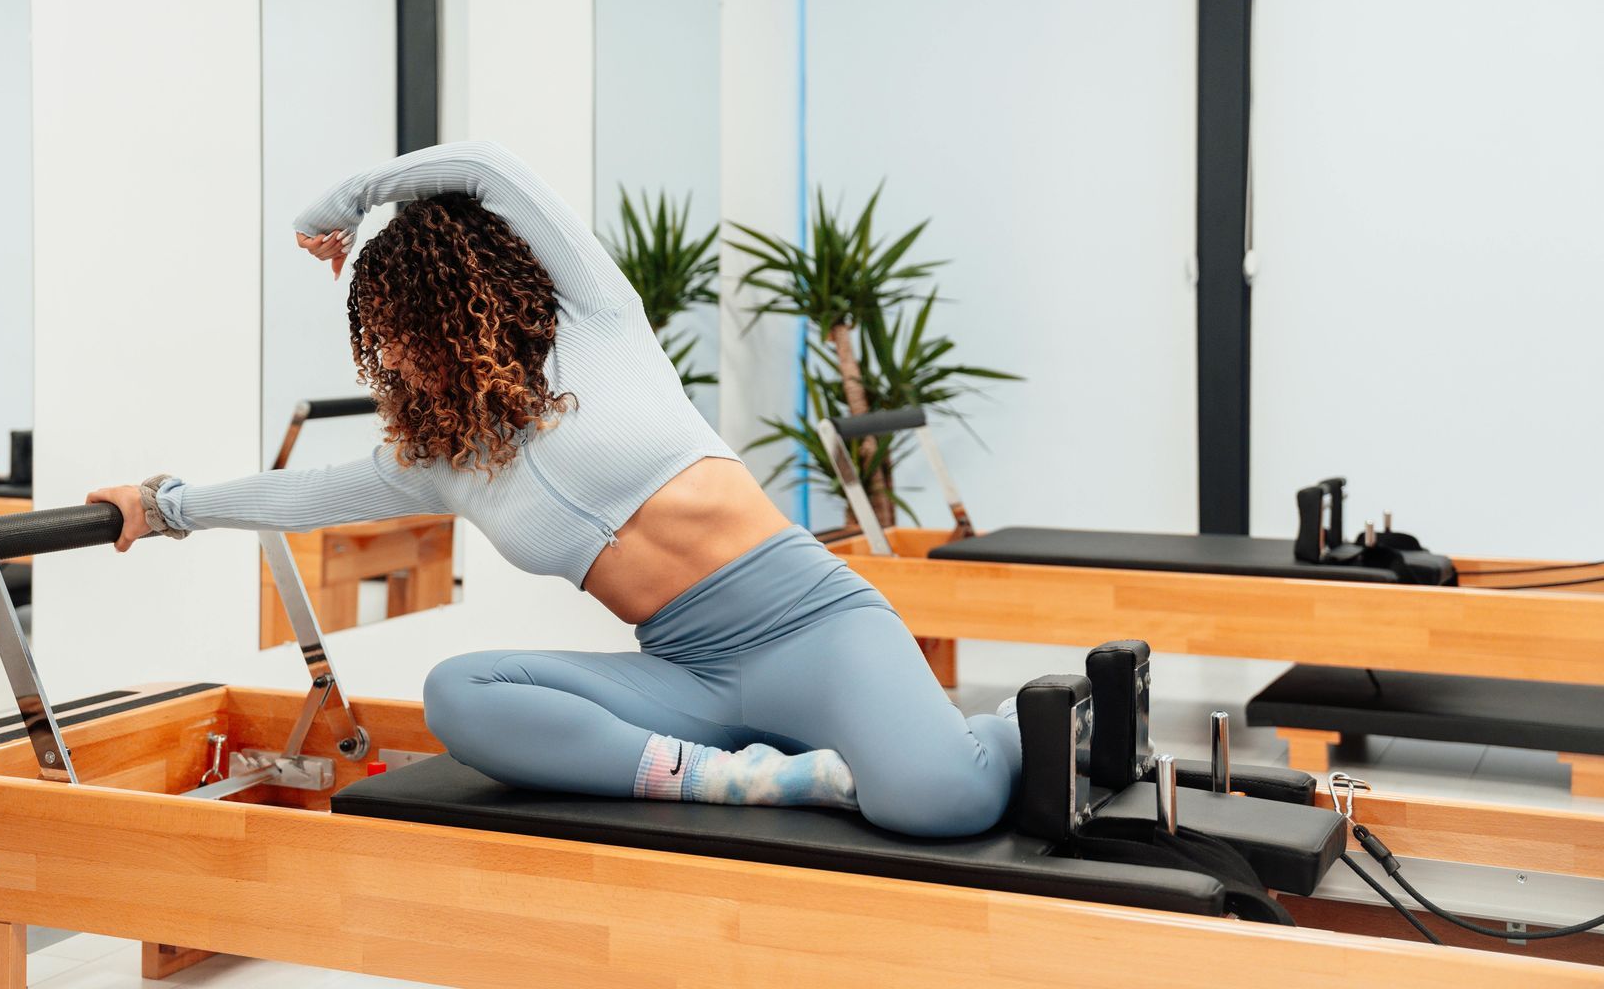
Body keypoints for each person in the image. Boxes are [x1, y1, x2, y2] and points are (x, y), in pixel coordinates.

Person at [89, 141, 1019, 836]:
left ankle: (1033, 721)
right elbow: (306, 494)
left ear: (461, 303)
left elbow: (489, 170)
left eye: (402, 323)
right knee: (461, 693)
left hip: (811, 626)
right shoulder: (444, 458)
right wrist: (166, 505)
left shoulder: (599, 325)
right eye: (378, 334)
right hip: (687, 674)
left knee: (948, 800)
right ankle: (739, 776)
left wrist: (353, 198)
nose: (395, 353)